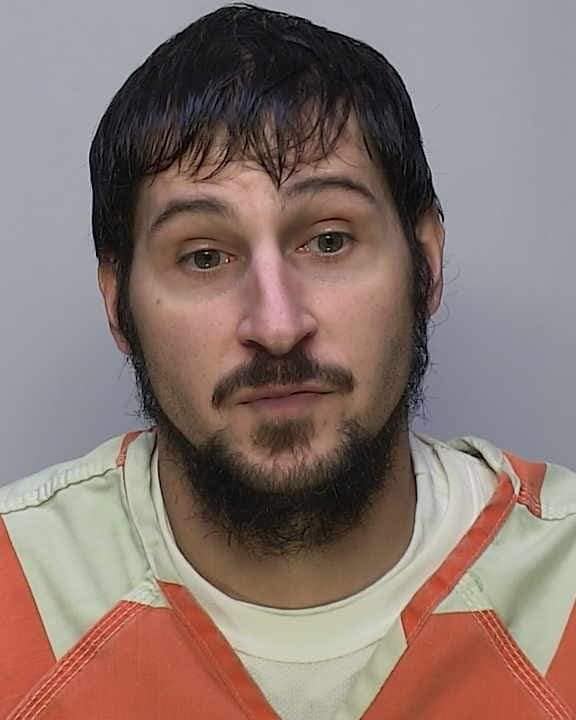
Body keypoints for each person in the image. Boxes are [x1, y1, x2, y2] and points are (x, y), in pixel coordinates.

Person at [1, 4, 574, 718]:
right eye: (204, 257)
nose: (276, 327)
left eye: (329, 241)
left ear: (425, 266)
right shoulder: (13, 584)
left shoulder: (564, 583)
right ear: (119, 306)